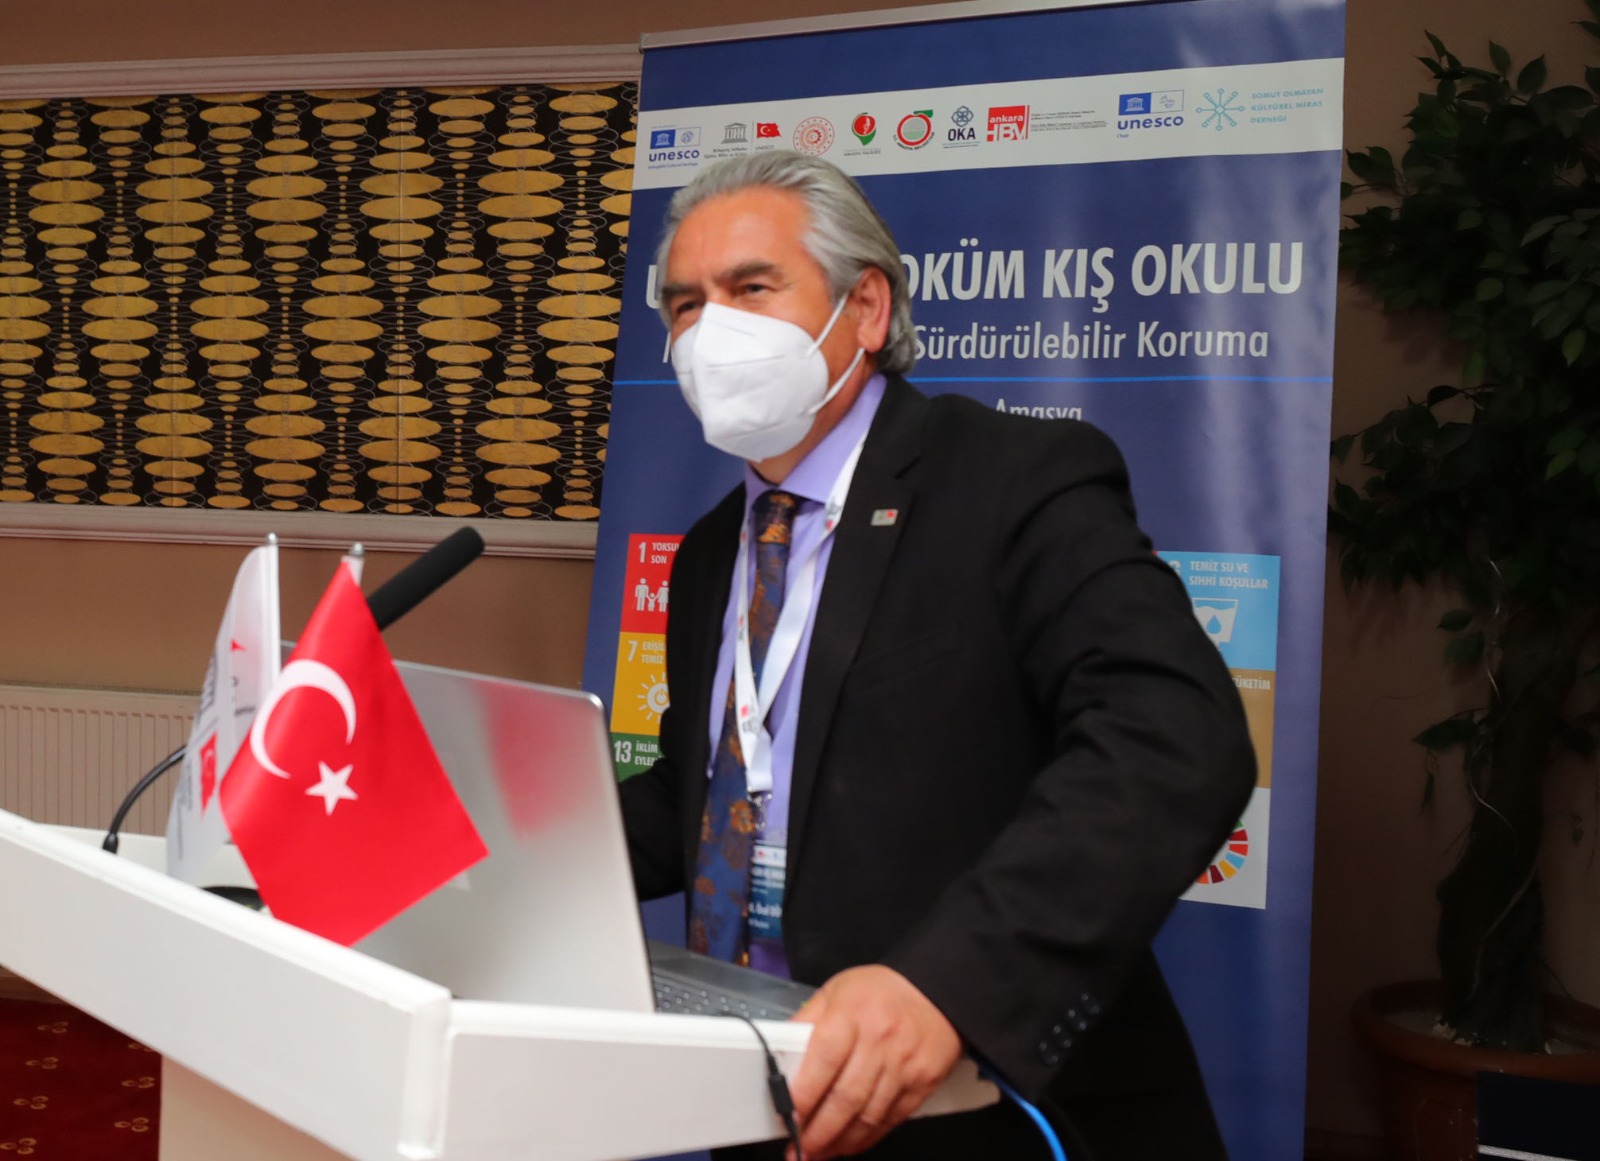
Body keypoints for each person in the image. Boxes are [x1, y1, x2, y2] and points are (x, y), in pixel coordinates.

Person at [618, 150, 1256, 1161]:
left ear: (866, 309)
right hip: (768, 1093)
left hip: (985, 1104)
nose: (711, 331)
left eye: (751, 288)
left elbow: (1173, 737)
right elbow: (705, 792)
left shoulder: (1014, 478)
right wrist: (504, 841)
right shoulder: (708, 553)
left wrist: (946, 985)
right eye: (685, 304)